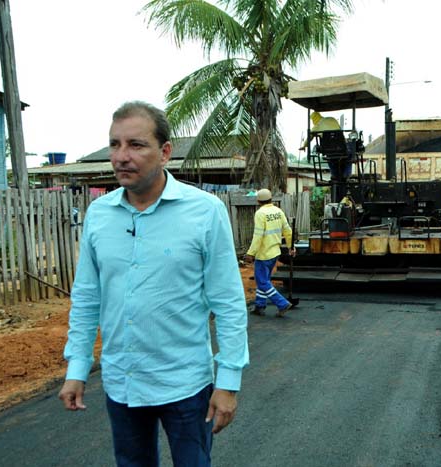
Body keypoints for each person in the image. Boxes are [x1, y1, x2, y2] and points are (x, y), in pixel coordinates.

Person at [58, 101, 249, 467]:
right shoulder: (99, 214)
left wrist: (227, 382)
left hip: (185, 385)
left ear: (164, 152)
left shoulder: (205, 211)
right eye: (115, 145)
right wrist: (77, 369)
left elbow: (227, 302)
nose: (121, 157)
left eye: (136, 145)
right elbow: (86, 298)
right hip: (122, 383)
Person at [245, 188, 296, 317]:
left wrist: (251, 253)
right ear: (271, 199)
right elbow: (288, 231)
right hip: (275, 252)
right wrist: (291, 247)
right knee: (265, 280)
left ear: (258, 201)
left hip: (263, 254)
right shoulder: (278, 211)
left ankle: (282, 304)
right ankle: (259, 305)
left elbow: (258, 235)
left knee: (262, 281)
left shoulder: (260, 213)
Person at [304, 111, 352, 181]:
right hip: (341, 148)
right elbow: (339, 130)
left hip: (328, 150)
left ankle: (334, 175)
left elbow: (309, 137)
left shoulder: (316, 127)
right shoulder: (331, 119)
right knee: (350, 155)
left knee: (330, 157)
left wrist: (304, 146)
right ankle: (346, 174)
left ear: (314, 119)